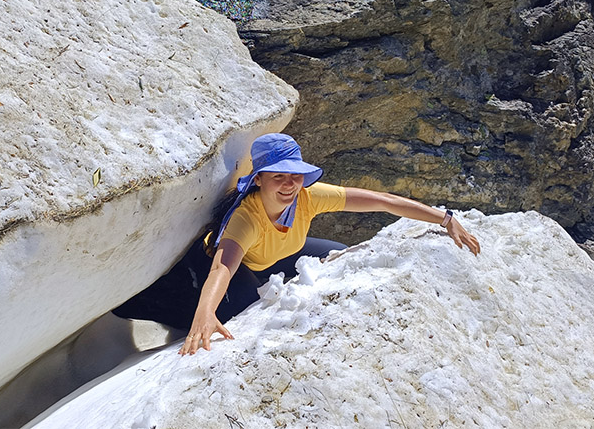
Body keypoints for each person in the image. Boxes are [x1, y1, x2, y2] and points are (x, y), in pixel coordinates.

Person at [113, 133, 480, 355]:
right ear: (259, 180)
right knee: (241, 311)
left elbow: (382, 200)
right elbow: (222, 268)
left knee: (338, 255)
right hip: (229, 266)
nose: (289, 184)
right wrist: (204, 314)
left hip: (278, 256)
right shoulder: (247, 218)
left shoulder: (308, 196)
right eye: (278, 177)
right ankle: (167, 307)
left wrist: (445, 218)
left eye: (295, 175)